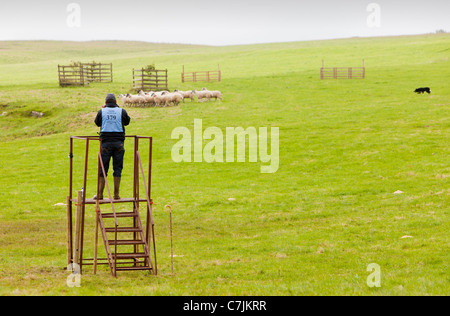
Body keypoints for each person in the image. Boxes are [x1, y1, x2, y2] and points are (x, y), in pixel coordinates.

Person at [93, 93, 131, 200]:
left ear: (105, 103)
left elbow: (97, 123)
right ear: (115, 102)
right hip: (119, 143)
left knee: (103, 169)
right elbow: (127, 122)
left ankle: (100, 194)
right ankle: (116, 194)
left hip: (105, 144)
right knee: (117, 168)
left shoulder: (102, 111)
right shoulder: (121, 111)